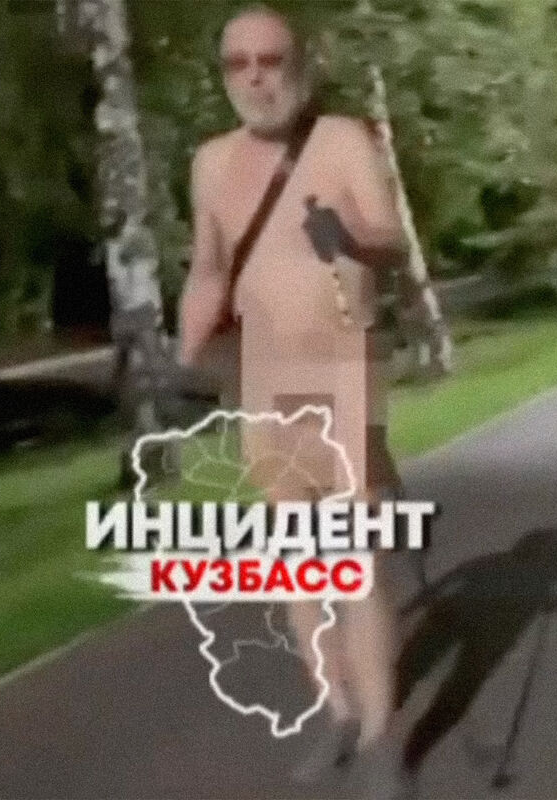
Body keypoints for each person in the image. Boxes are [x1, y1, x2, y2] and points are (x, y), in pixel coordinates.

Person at [177, 5, 412, 795]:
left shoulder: (343, 140)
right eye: (237, 63)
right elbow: (209, 269)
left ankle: (381, 741)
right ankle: (338, 711)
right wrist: (185, 350)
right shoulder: (210, 163)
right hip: (263, 383)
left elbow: (392, 239)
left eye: (270, 60)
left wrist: (349, 235)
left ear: (299, 67)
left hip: (344, 372)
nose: (255, 77)